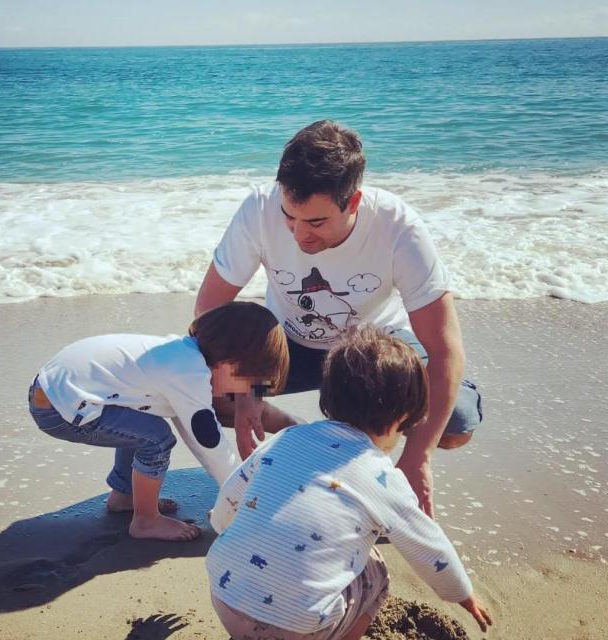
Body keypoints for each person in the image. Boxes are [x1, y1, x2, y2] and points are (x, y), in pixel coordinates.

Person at [194, 120, 482, 516]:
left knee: (455, 424)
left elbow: (446, 350)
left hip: (373, 349)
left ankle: (370, 452)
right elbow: (209, 310)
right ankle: (298, 432)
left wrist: (418, 459)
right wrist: (246, 392)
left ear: (353, 201)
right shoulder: (258, 209)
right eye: (289, 217)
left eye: (316, 222)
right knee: (202, 393)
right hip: (288, 345)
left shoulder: (399, 227)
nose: (299, 235)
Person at [205, 326, 493, 640]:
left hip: (224, 596)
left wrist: (223, 526)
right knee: (375, 571)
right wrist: (462, 593)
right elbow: (428, 546)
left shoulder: (288, 437)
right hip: (296, 627)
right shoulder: (382, 476)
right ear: (401, 418)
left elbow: (232, 494)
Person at [27, 301, 289, 542]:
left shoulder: (180, 355)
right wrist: (239, 494)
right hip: (61, 406)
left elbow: (193, 432)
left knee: (142, 427)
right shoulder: (190, 374)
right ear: (230, 363)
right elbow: (209, 442)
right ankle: (145, 520)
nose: (238, 395)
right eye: (247, 385)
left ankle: (125, 496)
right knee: (157, 439)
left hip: (51, 393)